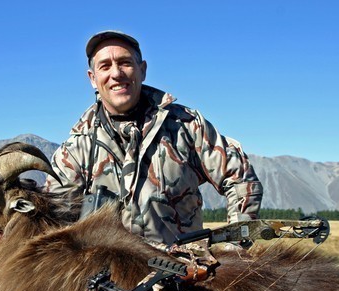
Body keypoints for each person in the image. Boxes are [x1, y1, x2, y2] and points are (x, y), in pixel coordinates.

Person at [45, 30, 263, 245]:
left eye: (125, 63)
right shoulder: (75, 149)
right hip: (106, 277)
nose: (116, 73)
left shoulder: (186, 125)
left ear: (143, 70)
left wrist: (235, 246)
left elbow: (240, 178)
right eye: (105, 66)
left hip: (184, 273)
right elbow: (52, 222)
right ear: (93, 78)